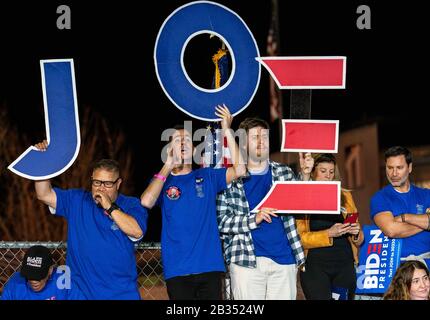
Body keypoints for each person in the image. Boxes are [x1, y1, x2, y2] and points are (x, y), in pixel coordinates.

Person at [140, 105, 246, 300]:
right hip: (178, 271)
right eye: (177, 140)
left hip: (209, 267)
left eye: (187, 139)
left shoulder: (207, 176)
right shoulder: (162, 181)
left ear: (194, 149)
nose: (182, 143)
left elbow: (240, 171)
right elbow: (146, 201)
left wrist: (228, 130)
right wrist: (168, 165)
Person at [34, 144, 148, 300]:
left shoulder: (131, 205)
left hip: (121, 293)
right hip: (80, 293)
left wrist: (109, 206)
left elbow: (137, 231)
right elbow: (44, 194)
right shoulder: (77, 200)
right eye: (97, 182)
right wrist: (43, 161)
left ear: (118, 184)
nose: (101, 188)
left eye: (107, 184)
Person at [217, 117, 313, 300]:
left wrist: (306, 175)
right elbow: (222, 222)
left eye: (265, 136)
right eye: (255, 137)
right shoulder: (230, 178)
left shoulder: (284, 172)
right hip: (246, 260)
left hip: (284, 259)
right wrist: (255, 218)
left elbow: (301, 204)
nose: (261, 141)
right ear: (244, 144)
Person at [296, 153, 364, 300]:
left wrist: (356, 233)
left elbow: (358, 239)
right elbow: (299, 239)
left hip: (344, 264)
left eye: (331, 172)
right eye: (323, 171)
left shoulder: (345, 196)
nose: (328, 175)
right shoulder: (303, 197)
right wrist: (328, 233)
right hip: (315, 267)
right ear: (313, 172)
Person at [371, 146, 430, 267]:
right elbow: (391, 230)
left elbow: (397, 228)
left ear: (410, 168)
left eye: (399, 168)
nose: (394, 173)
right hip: (398, 268)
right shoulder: (380, 198)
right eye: (390, 168)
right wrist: (425, 222)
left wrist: (405, 217)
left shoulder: (426, 194)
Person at [1, 245, 83, 300]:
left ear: (50, 270)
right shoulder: (16, 282)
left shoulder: (63, 282)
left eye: (38, 275)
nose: (33, 281)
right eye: (29, 275)